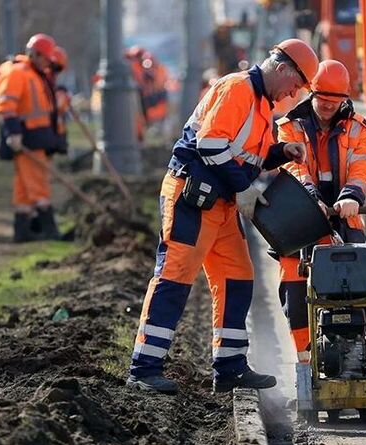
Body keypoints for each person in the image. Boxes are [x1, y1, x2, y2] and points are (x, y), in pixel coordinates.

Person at [126, 38, 319, 394]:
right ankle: (144, 368)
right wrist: (244, 189)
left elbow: (247, 156)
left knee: (237, 276)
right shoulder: (239, 89)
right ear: (282, 69)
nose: (294, 93)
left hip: (218, 200)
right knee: (175, 275)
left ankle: (229, 368)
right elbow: (211, 144)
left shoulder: (261, 103)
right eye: (296, 84)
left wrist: (279, 153)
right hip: (193, 196)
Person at [274, 59, 366, 364]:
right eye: (322, 99)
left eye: (335, 101)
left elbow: (361, 167)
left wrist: (352, 196)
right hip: (300, 221)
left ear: (344, 99)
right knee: (294, 290)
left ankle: (349, 357)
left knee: (349, 291)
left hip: (343, 221)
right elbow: (293, 168)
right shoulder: (289, 127)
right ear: (311, 93)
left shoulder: (359, 129)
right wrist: (310, 199)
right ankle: (305, 364)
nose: (328, 106)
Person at [0, 33, 60, 242]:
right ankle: (50, 231)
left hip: (35, 138)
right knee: (38, 185)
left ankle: (22, 231)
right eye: (46, 59)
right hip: (27, 138)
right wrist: (13, 133)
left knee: (24, 188)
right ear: (36, 54)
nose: (48, 64)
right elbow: (6, 105)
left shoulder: (33, 73)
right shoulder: (18, 73)